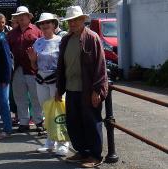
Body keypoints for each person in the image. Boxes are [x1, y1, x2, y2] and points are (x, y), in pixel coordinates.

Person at [55, 6, 108, 168]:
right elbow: (61, 66)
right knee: (74, 122)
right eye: (70, 21)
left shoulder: (92, 38)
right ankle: (82, 151)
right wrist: (59, 88)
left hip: (88, 89)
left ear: (83, 20)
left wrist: (97, 90)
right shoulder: (66, 39)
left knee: (91, 122)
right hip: (71, 88)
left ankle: (95, 155)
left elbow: (100, 66)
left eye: (76, 20)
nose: (72, 23)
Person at [27, 12, 70, 156]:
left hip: (56, 80)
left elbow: (65, 64)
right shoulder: (38, 42)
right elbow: (34, 66)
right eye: (42, 24)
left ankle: (63, 142)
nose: (45, 26)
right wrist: (32, 59)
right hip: (40, 80)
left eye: (48, 23)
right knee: (47, 111)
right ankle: (50, 141)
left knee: (60, 112)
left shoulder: (61, 41)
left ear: (54, 24)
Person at [7, 6, 43, 133]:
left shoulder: (37, 31)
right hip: (17, 69)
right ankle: (23, 122)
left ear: (29, 17)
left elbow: (43, 48)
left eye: (24, 15)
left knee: (36, 97)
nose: (21, 18)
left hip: (33, 69)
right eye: (18, 16)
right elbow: (8, 52)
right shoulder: (11, 34)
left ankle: (39, 121)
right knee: (20, 97)